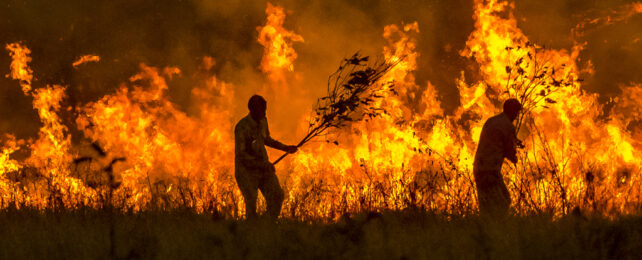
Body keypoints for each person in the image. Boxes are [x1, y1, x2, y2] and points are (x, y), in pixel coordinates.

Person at [234, 95, 298, 220]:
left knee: (277, 196)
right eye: (261, 110)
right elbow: (241, 155)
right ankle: (251, 229)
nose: (264, 113)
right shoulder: (242, 127)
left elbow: (266, 139)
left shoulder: (263, 120)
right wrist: (263, 164)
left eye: (265, 109)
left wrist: (285, 148)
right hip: (246, 171)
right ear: (252, 110)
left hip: (263, 168)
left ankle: (267, 223)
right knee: (251, 201)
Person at [473, 99, 522, 216]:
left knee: (485, 204)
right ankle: (496, 228)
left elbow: (496, 141)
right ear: (511, 110)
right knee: (503, 201)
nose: (516, 116)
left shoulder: (491, 121)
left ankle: (484, 228)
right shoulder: (508, 126)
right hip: (490, 170)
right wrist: (515, 157)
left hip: (478, 168)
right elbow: (510, 153)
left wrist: (513, 141)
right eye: (516, 112)